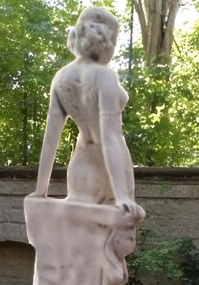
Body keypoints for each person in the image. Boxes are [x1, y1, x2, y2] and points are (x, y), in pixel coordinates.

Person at [31, 6, 143, 222]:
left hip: (80, 166)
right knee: (113, 236)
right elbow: (109, 137)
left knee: (78, 234)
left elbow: (50, 140)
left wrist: (40, 190)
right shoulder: (104, 75)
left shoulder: (61, 78)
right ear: (107, 39)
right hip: (110, 167)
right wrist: (121, 196)